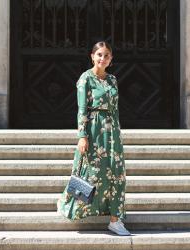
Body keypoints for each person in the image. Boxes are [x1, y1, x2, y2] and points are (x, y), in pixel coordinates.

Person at [58, 41, 130, 236]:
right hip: (93, 131)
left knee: (117, 174)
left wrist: (117, 134)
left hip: (112, 133)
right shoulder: (85, 79)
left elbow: (115, 110)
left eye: (106, 55)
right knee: (90, 174)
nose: (102, 58)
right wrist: (82, 136)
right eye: (99, 54)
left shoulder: (112, 80)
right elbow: (82, 109)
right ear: (92, 56)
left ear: (111, 59)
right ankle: (73, 208)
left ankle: (116, 220)